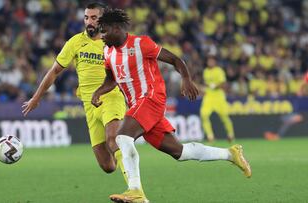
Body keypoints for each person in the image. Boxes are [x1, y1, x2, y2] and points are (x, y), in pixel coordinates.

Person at [92, 8, 252, 203]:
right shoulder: (108, 52)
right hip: (139, 107)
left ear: (116, 28)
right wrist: (99, 91)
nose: (101, 36)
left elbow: (175, 59)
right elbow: (111, 79)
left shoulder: (141, 43)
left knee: (122, 137)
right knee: (180, 152)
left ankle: (135, 191)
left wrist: (186, 78)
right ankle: (230, 154)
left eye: (104, 30)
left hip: (151, 98)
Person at [21, 2, 129, 187]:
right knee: (108, 166)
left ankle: (134, 188)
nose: (89, 21)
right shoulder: (75, 42)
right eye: (87, 17)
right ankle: (127, 155)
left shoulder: (112, 41)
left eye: (94, 18)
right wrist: (36, 97)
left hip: (111, 97)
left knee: (113, 139)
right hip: (89, 105)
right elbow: (54, 71)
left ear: (103, 19)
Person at [200, 55, 235, 142]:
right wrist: (204, 88)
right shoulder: (205, 71)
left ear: (215, 62)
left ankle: (230, 134)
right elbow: (206, 83)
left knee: (224, 116)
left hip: (218, 95)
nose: (210, 62)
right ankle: (210, 136)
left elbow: (223, 83)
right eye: (209, 61)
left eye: (211, 61)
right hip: (208, 96)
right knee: (204, 114)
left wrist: (214, 85)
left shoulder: (219, 71)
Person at [264, 71, 308, 140]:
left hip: (302, 115)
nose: (299, 92)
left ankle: (277, 136)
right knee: (283, 118)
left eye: (301, 90)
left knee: (287, 120)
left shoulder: (305, 98)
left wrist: (300, 116)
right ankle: (275, 134)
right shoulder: (298, 98)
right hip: (297, 114)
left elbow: (303, 112)